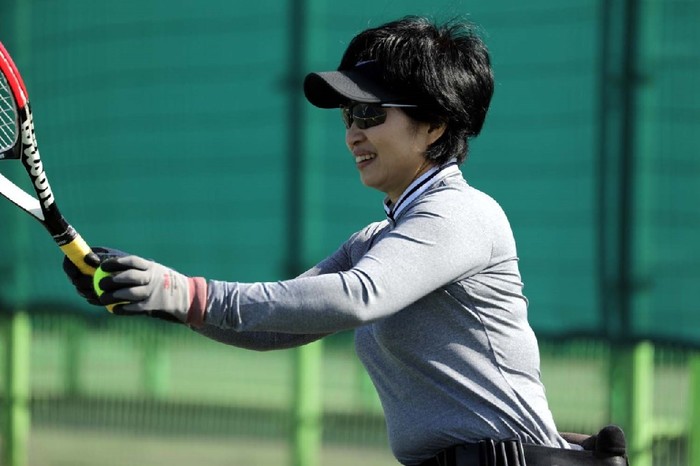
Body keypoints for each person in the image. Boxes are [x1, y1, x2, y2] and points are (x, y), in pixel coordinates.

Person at [64, 16, 628, 466]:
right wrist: (158, 297)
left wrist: (186, 292)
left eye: (370, 112)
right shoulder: (378, 238)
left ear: (435, 124)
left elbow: (357, 296)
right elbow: (278, 325)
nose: (353, 132)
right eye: (348, 116)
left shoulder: (460, 212)